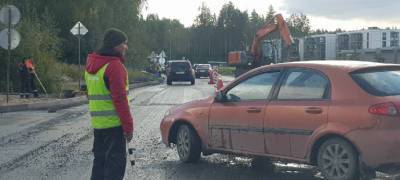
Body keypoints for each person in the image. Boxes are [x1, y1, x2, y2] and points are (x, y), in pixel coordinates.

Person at [84, 28, 134, 180]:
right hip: (114, 127)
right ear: (115, 45)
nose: (126, 47)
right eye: (124, 43)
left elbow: (89, 94)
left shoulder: (91, 65)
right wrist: (128, 126)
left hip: (98, 126)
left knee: (99, 165)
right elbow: (120, 100)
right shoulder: (114, 66)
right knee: (114, 168)